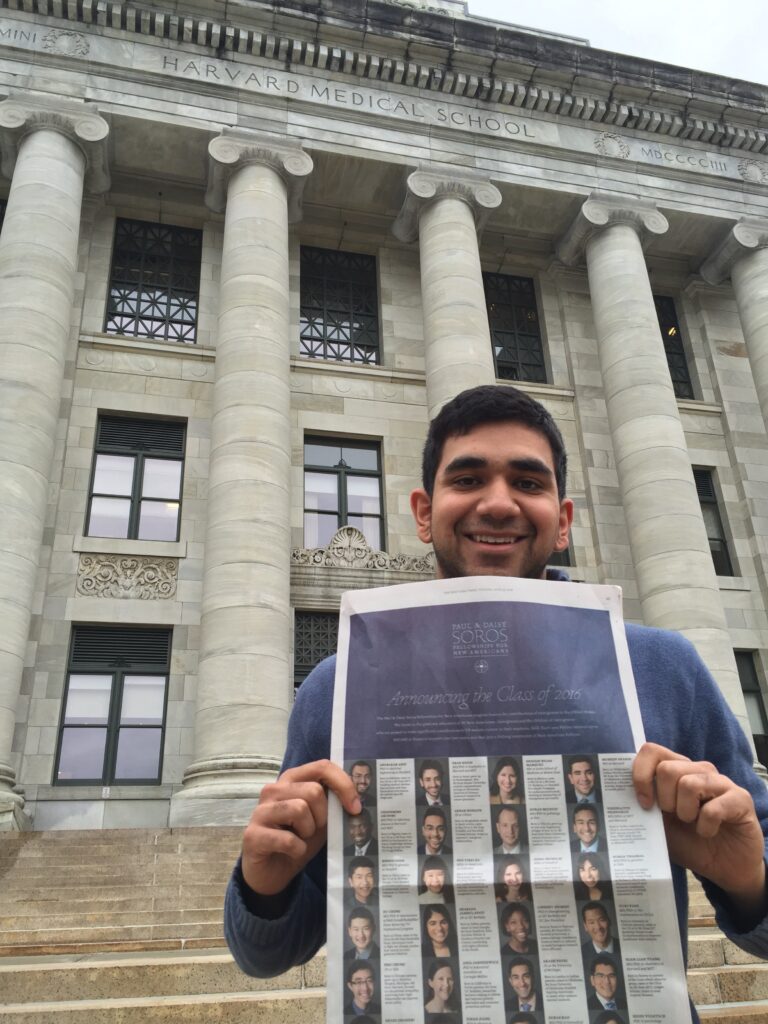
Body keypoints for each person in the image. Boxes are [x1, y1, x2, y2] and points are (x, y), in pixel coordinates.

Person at [224, 384, 768, 1024]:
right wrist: (263, 884)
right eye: (470, 477)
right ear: (425, 512)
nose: (499, 502)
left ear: (561, 520)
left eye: (529, 483)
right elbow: (270, 955)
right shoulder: (334, 687)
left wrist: (748, 881)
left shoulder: (662, 666)